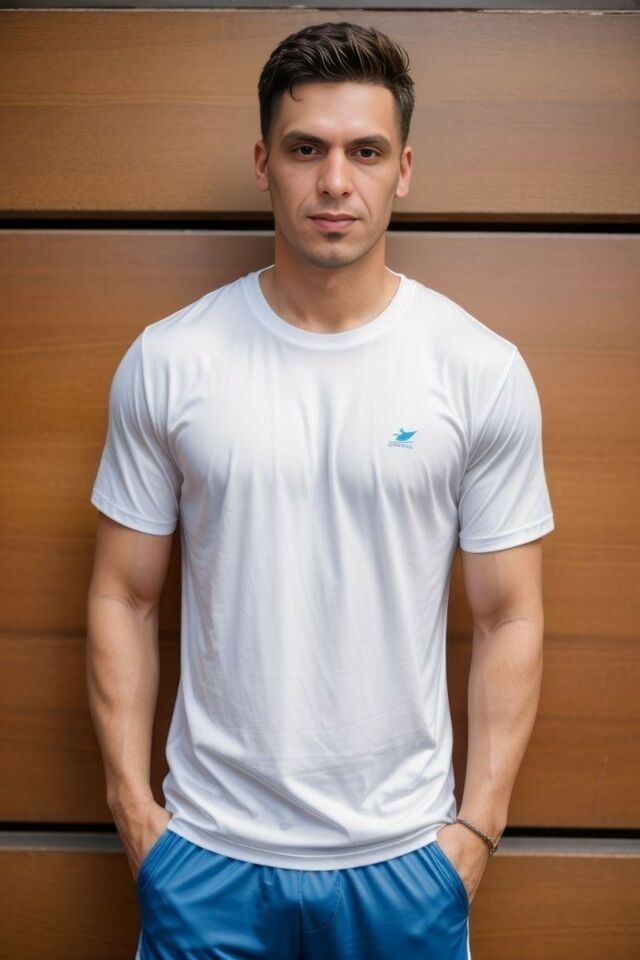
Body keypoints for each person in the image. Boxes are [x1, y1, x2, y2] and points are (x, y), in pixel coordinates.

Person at [86, 20, 555, 960]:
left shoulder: (477, 369)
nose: (335, 181)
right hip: (207, 859)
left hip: (407, 864)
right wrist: (134, 812)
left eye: (365, 152)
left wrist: (476, 830)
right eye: (307, 149)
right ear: (264, 162)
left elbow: (510, 615)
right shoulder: (171, 360)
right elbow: (122, 596)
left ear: (403, 170)